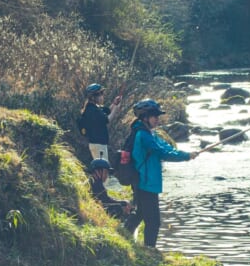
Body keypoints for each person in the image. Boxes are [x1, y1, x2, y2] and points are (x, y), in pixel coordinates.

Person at [122, 99, 196, 248]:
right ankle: (149, 249)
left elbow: (166, 148)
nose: (157, 119)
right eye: (154, 116)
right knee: (154, 221)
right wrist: (185, 156)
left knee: (140, 214)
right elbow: (162, 153)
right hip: (145, 183)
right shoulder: (143, 136)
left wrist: (185, 154)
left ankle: (124, 237)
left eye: (157, 116)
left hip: (147, 182)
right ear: (145, 118)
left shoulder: (150, 134)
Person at [79, 83, 121, 162]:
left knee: (102, 169)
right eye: (100, 94)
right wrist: (116, 108)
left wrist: (114, 103)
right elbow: (107, 120)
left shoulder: (95, 108)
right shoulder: (92, 110)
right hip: (98, 145)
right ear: (92, 97)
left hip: (99, 145)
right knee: (102, 170)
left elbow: (107, 112)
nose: (102, 96)